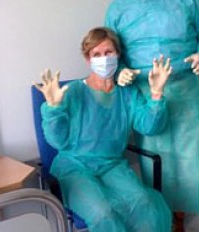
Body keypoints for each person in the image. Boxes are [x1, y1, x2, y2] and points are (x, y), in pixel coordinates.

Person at [35, 27, 173, 232]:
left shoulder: (127, 94)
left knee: (145, 203)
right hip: (74, 168)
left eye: (108, 52)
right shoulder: (73, 92)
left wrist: (156, 94)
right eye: (96, 54)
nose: (104, 58)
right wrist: (54, 109)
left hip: (112, 166)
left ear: (118, 54)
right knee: (103, 213)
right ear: (88, 59)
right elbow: (57, 141)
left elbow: (150, 127)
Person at [105, 1, 199, 232]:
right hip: (146, 94)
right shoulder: (119, 7)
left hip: (189, 94)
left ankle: (196, 227)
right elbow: (111, 49)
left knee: (196, 168)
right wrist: (120, 71)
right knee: (156, 167)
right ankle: (162, 224)